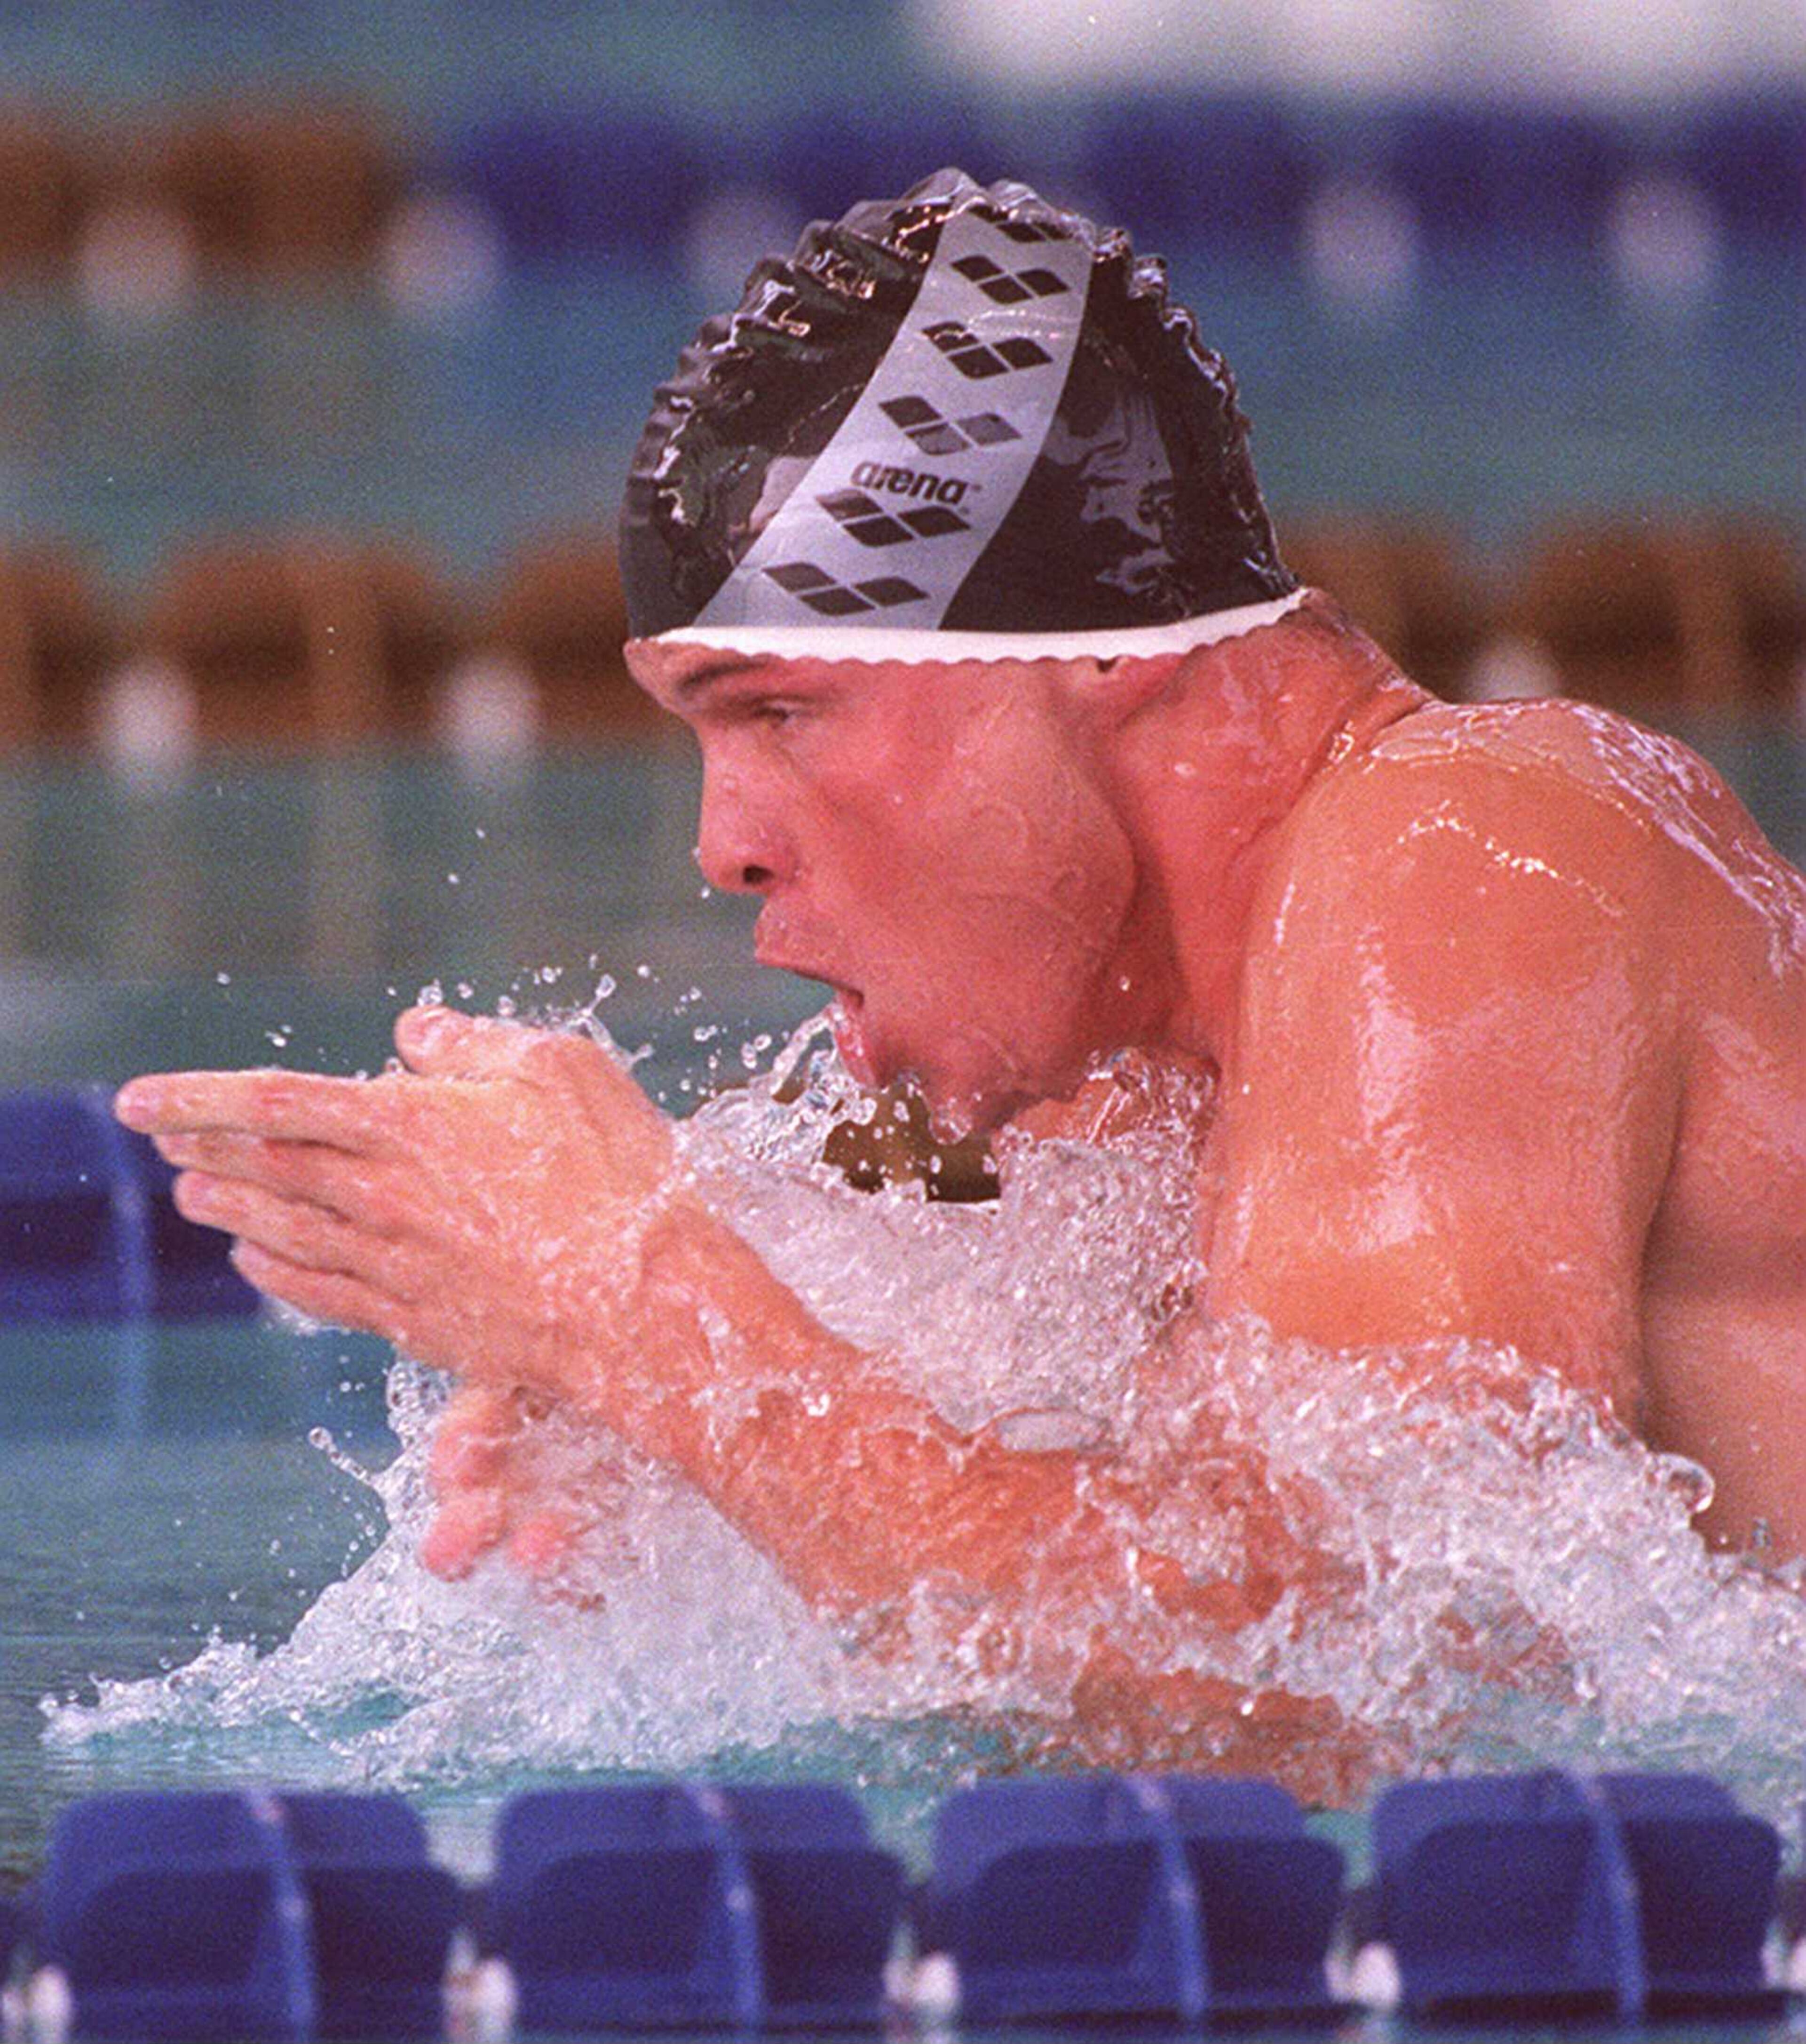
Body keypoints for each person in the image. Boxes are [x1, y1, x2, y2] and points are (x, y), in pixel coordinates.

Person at [115, 172, 1806, 1777]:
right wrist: (689, 1482)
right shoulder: (1159, 1084)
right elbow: (1136, 1608)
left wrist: (648, 1317)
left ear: (1085, 660)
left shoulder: (1466, 854)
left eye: (781, 711)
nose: (722, 848)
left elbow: (1387, 1681)